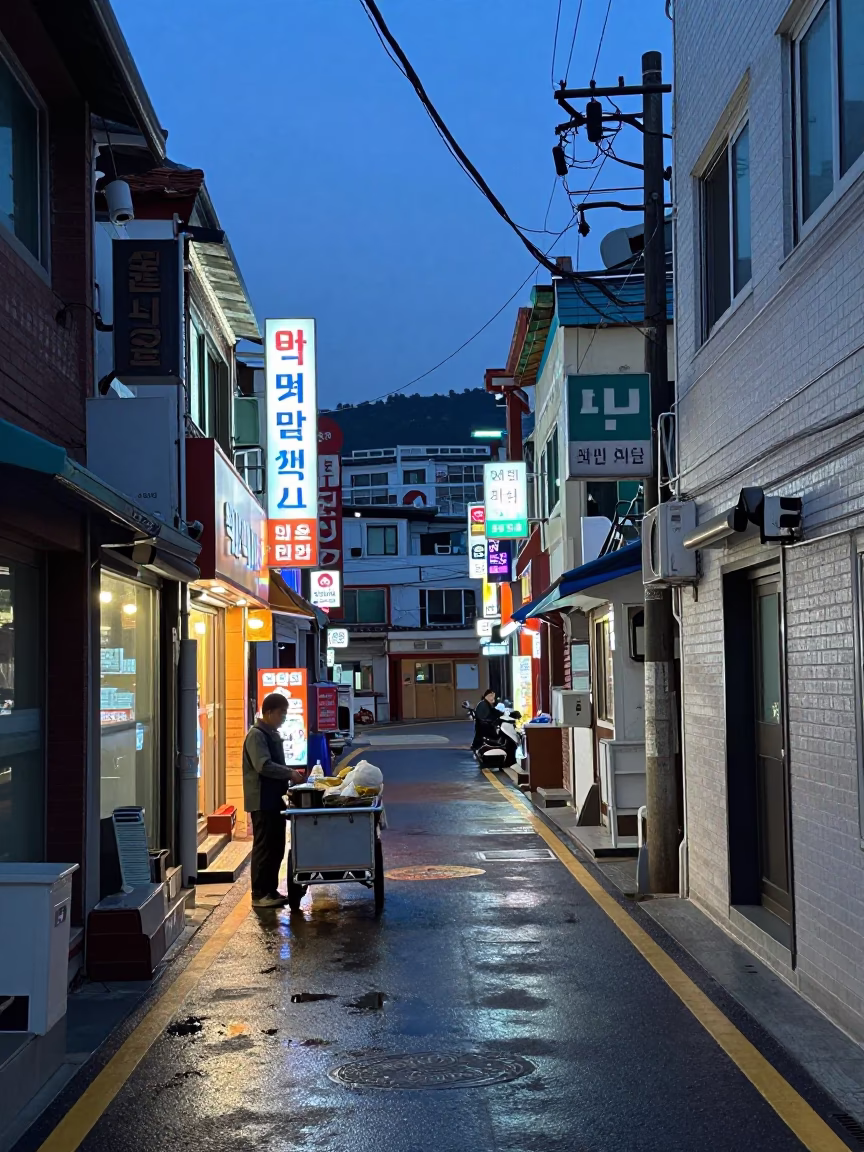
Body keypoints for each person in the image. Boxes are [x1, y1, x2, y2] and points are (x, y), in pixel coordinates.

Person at [243, 692, 306, 908]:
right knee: (264, 846)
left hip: (274, 799)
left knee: (276, 846)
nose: (283, 717)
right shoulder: (257, 735)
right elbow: (264, 765)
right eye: (281, 713)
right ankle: (259, 894)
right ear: (268, 712)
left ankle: (270, 890)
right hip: (262, 800)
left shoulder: (270, 733)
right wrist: (289, 773)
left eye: (285, 713)